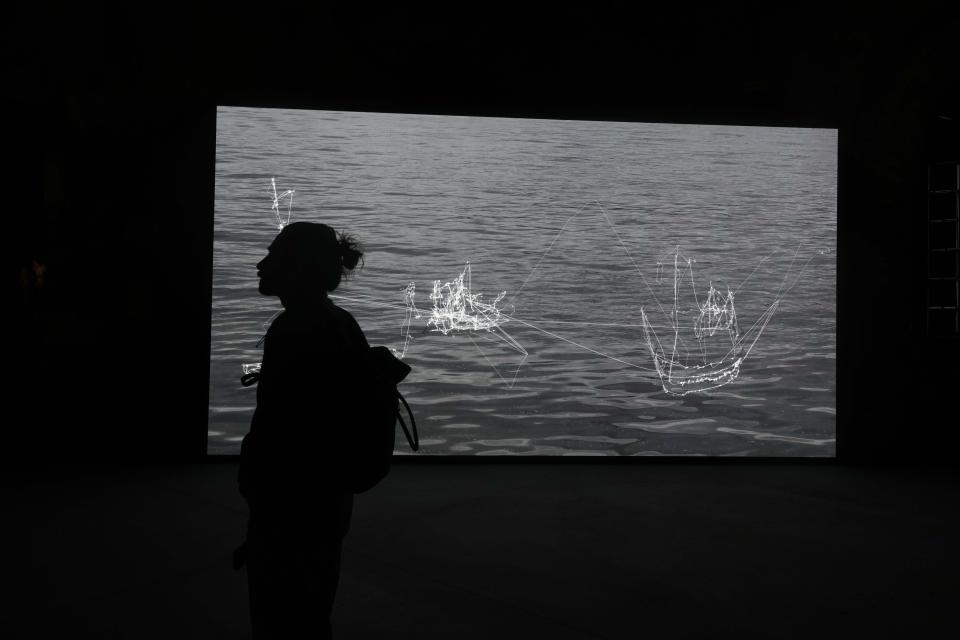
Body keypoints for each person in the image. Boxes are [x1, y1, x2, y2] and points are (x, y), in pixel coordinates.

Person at [238, 221, 367, 639]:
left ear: (298, 267)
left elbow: (289, 439)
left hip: (293, 511)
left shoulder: (296, 329)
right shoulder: (337, 322)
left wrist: (267, 527)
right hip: (320, 507)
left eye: (273, 255)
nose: (261, 264)